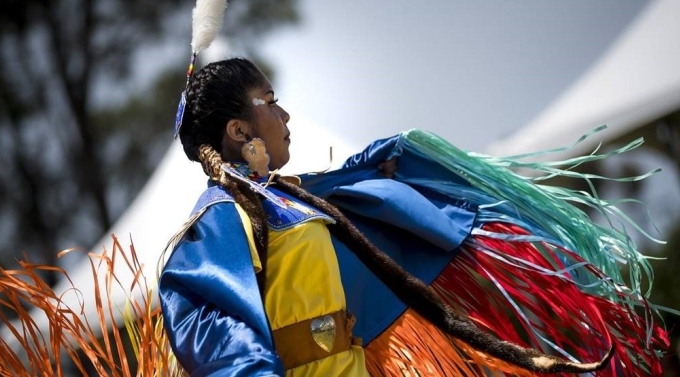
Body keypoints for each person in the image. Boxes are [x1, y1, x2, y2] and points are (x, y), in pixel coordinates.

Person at [157, 52, 667, 376]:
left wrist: (391, 161)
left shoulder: (291, 199)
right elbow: (222, 349)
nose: (285, 115)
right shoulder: (217, 223)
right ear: (239, 131)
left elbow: (346, 192)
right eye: (269, 100)